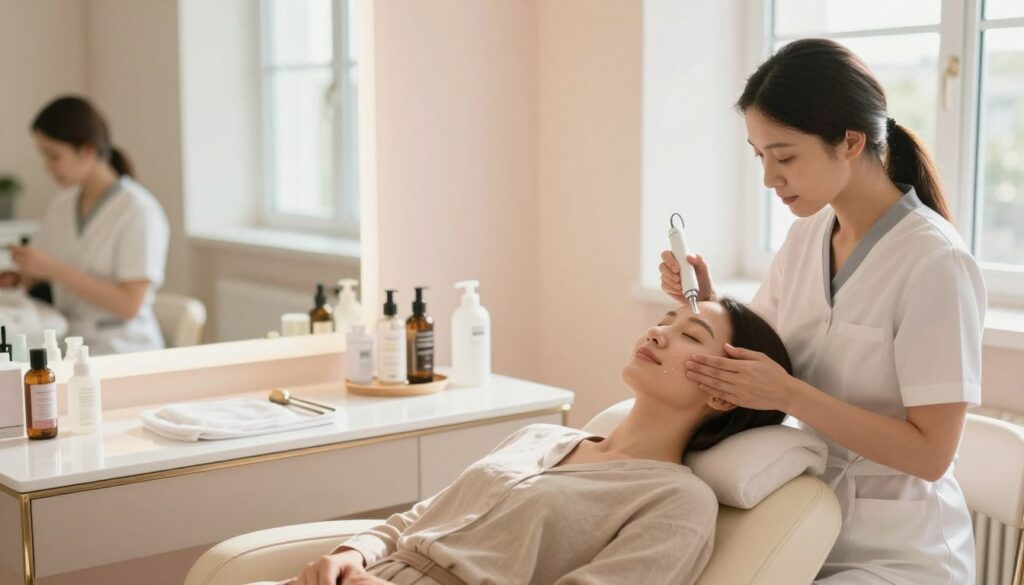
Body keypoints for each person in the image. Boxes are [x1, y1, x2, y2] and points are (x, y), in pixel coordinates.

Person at [663, 39, 985, 584]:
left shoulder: (935, 262)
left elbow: (931, 454)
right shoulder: (807, 235)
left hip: (898, 553)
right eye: (759, 156)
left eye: (785, 156)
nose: (770, 178)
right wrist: (707, 304)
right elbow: (766, 353)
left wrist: (788, 395)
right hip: (802, 523)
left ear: (851, 142)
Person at [279, 298, 791, 585]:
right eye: (663, 320)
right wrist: (351, 554)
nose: (656, 334)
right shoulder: (540, 436)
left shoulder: (677, 501)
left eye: (692, 336)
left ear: (726, 394)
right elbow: (417, 518)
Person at [5, 95, 170, 354]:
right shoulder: (62, 204)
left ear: (88, 150)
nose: (47, 167)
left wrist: (54, 270)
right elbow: (39, 270)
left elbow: (130, 304)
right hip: (69, 341)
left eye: (53, 156)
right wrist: (20, 275)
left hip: (123, 349)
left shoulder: (138, 211)